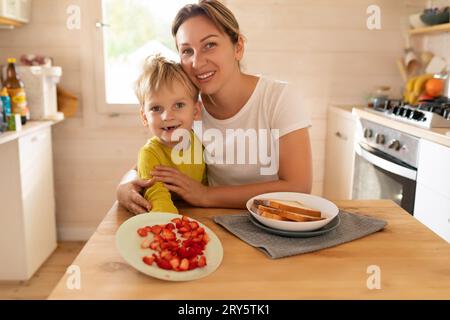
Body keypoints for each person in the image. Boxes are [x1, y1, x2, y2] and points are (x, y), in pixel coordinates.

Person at [117, 0, 312, 215]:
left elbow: (298, 187)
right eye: (187, 51)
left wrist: (204, 195)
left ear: (238, 47)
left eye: (209, 45)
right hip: (215, 221)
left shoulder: (279, 99)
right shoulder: (187, 107)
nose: (197, 62)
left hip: (272, 222)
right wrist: (125, 184)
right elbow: (155, 157)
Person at [134, 54, 205, 213]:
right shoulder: (149, 154)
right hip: (167, 220)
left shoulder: (200, 141)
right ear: (144, 117)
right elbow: (158, 201)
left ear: (195, 110)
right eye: (156, 109)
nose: (167, 116)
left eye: (179, 105)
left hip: (199, 214)